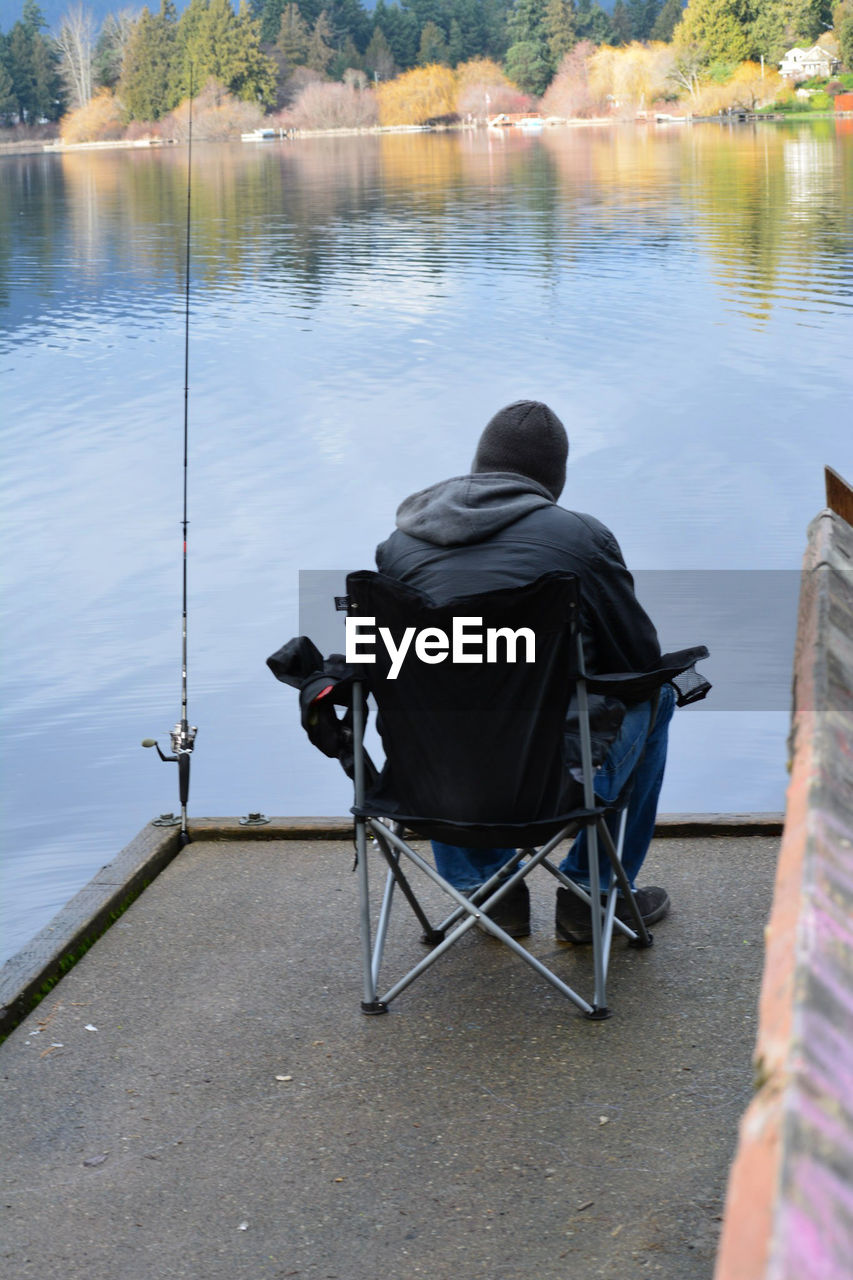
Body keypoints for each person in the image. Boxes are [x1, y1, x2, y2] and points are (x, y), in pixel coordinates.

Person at [375, 399, 674, 944]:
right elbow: (638, 663)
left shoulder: (399, 548)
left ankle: (490, 893)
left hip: (432, 784)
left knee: (436, 715)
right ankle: (592, 897)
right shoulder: (580, 540)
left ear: (478, 465)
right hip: (554, 784)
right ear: (553, 481)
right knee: (660, 698)